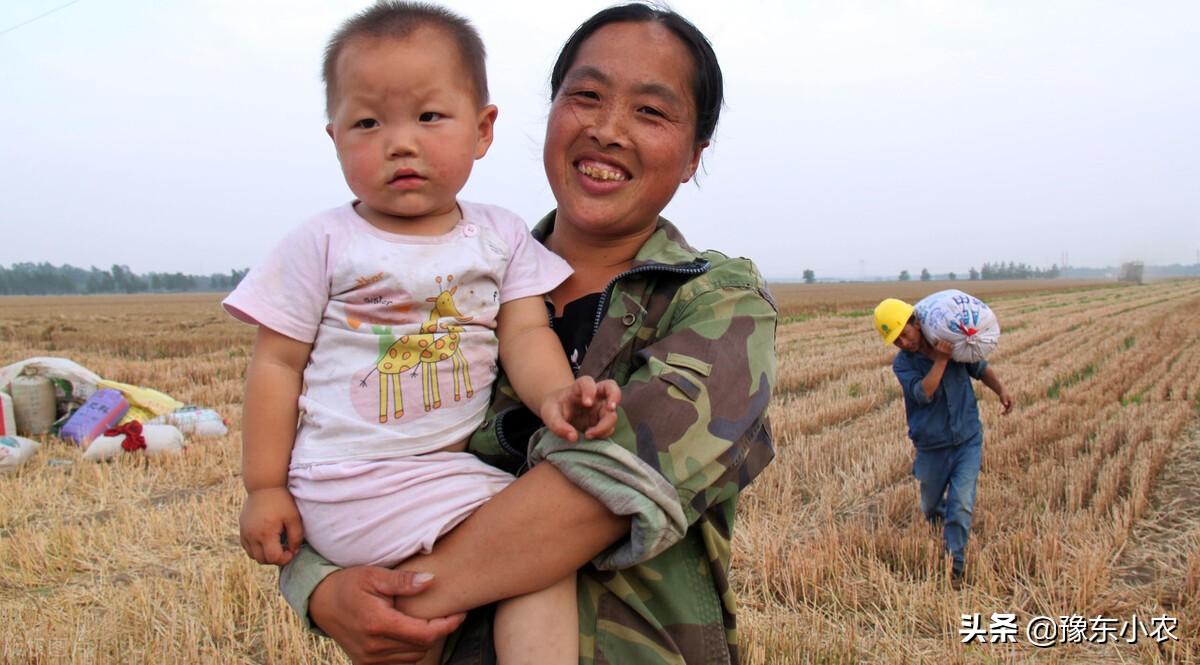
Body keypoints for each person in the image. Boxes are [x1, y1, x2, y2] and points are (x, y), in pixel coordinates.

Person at [277, 4, 779, 664]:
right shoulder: (451, 284)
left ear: (693, 156)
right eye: (586, 97)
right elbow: (340, 446)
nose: (607, 129)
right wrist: (317, 585)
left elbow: (597, 491)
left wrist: (379, 600)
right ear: (550, 113)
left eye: (650, 113)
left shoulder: (717, 302)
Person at [223, 4, 621, 664]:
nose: (399, 142)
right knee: (538, 550)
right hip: (347, 480)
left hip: (438, 473)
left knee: (415, 632)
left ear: (483, 128)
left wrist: (555, 395)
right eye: (368, 122)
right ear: (334, 137)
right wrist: (263, 487)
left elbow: (525, 331)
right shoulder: (322, 243)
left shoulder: (499, 235)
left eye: (429, 117)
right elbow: (275, 366)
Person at [873, 298, 1013, 585]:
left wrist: (1001, 390)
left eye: (904, 333)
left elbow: (980, 368)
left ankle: (955, 567)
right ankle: (942, 522)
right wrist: (940, 361)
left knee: (961, 503)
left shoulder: (951, 342)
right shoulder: (904, 365)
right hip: (931, 446)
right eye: (895, 340)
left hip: (966, 439)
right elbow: (924, 393)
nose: (902, 342)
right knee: (930, 506)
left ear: (916, 322)